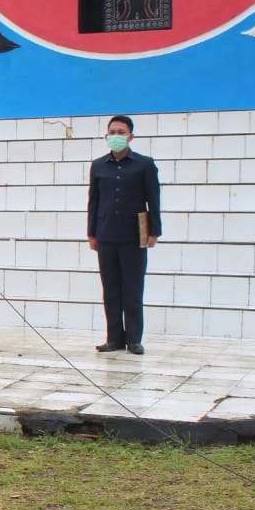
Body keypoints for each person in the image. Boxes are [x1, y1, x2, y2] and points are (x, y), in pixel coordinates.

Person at [88, 114, 161, 355]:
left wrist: (154, 232)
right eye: (112, 132)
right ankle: (114, 338)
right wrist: (92, 233)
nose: (116, 136)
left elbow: (154, 200)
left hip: (134, 236)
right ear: (106, 136)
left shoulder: (144, 164)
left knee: (132, 289)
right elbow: (94, 201)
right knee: (110, 290)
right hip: (106, 233)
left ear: (131, 136)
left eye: (121, 132)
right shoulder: (98, 166)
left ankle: (134, 339)